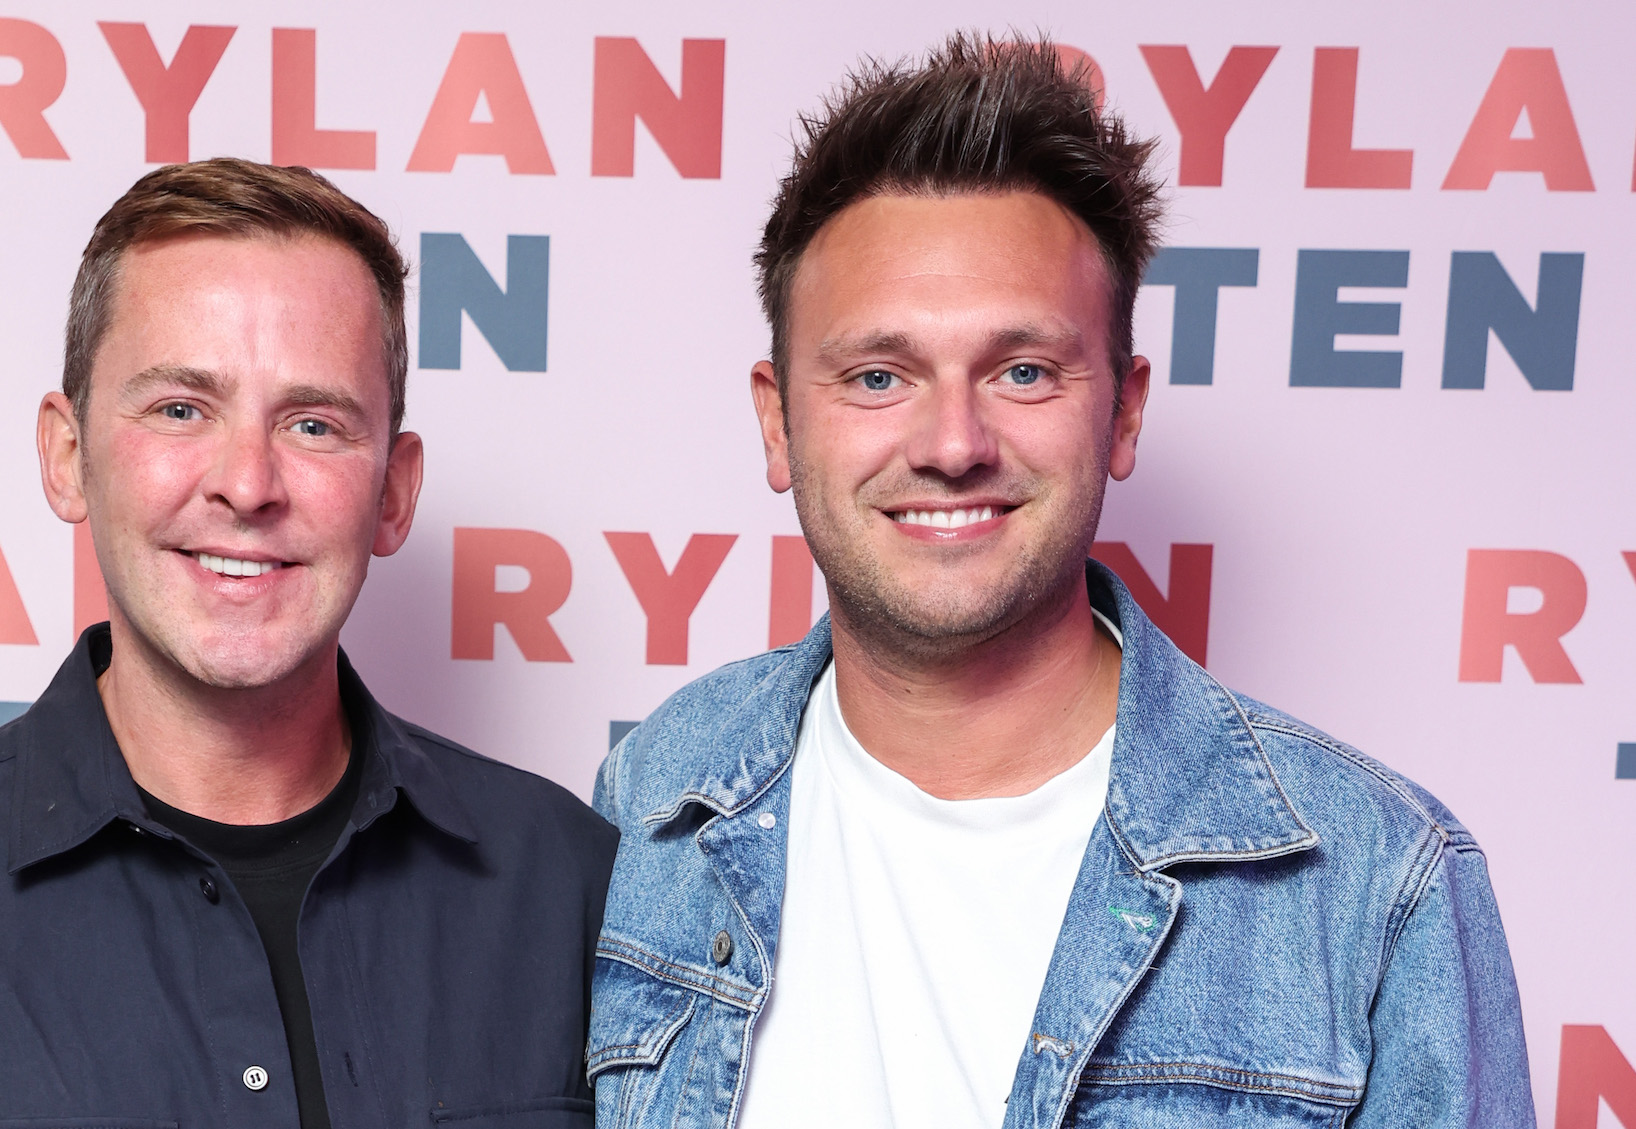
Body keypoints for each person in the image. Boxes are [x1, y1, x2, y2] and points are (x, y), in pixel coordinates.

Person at [587, 34, 1532, 1129]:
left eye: (1023, 370)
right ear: (777, 422)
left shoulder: (1379, 884)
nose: (951, 442)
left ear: (1123, 411)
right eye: (878, 375)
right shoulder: (652, 796)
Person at [0, 158, 615, 1129]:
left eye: (313, 423)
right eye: (180, 408)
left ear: (393, 489)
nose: (247, 483)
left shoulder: (571, 888)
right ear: (67, 456)